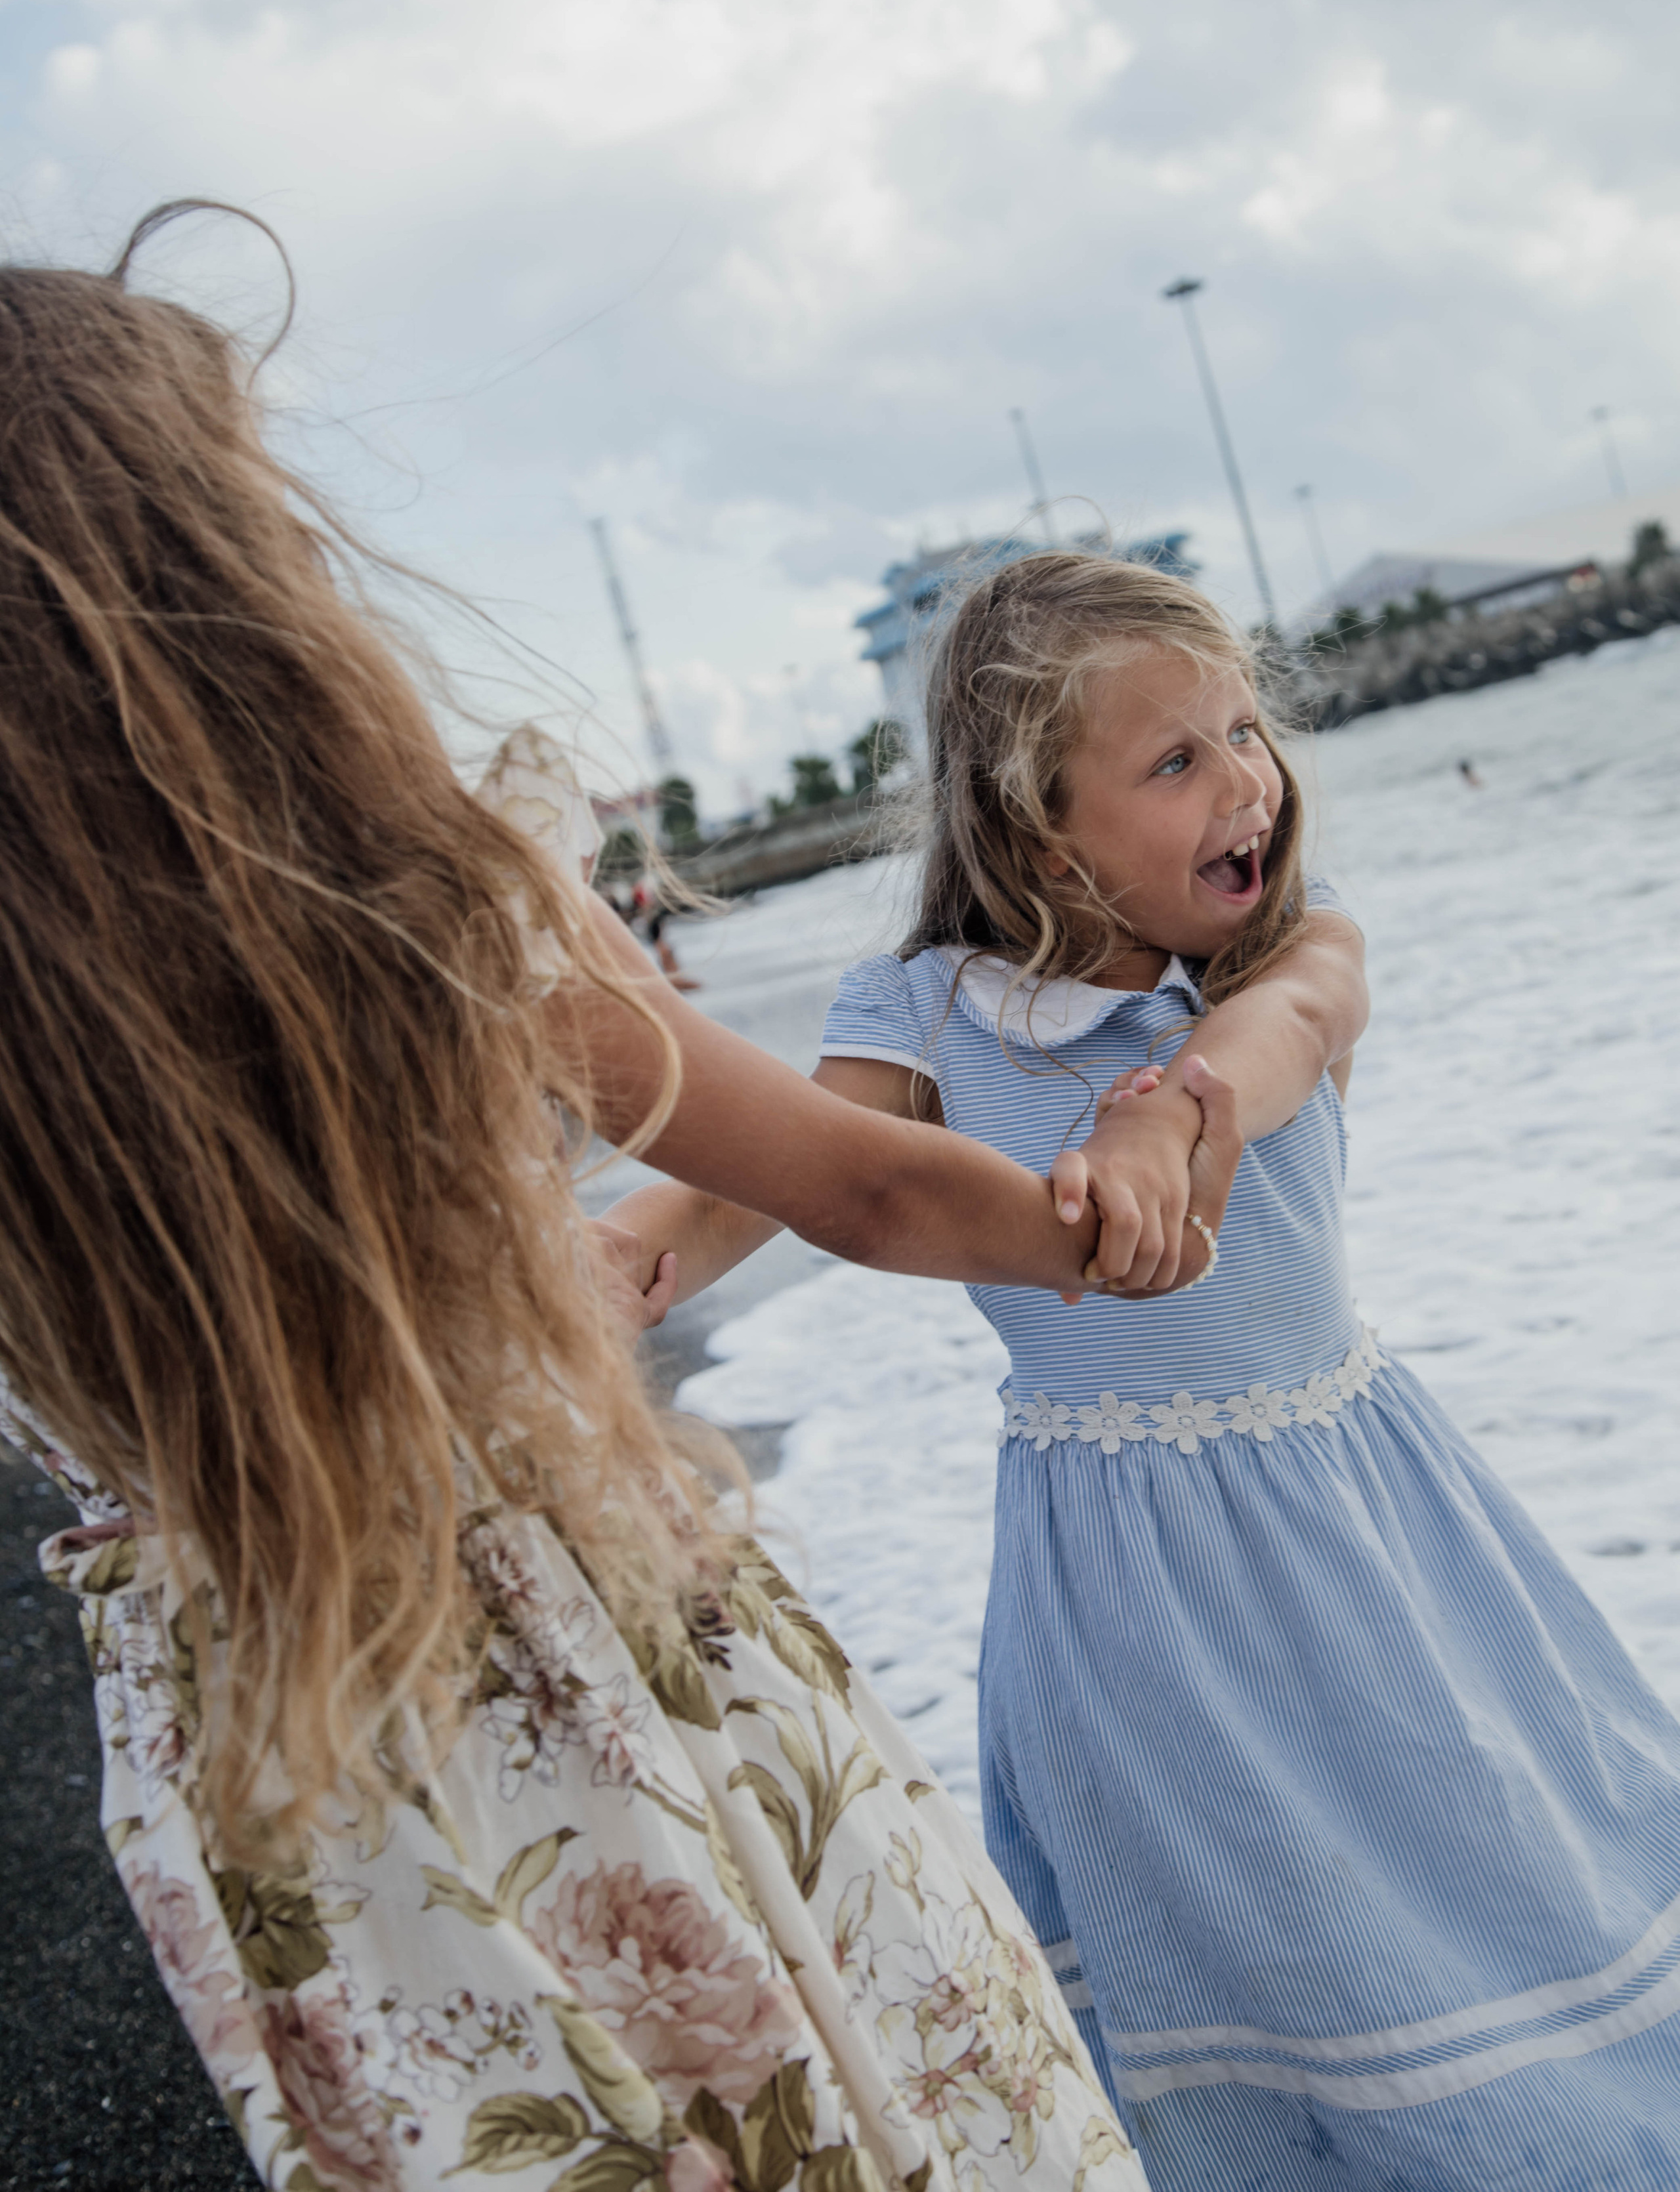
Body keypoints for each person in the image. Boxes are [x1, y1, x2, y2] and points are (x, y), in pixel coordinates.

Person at [0, 219, 1175, 2192]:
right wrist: (1128, 1211)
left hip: (275, 1765)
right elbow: (870, 1183)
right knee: (891, 2111)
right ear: (221, 581)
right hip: (602, 1655)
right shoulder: (438, 906)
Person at [618, 551, 1680, 2189]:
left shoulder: (1280, 964)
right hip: (1121, 1601)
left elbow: (1272, 1050)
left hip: (1371, 1542)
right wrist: (625, 1243)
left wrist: (1169, 1110)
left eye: (1244, 731)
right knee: (1254, 1958)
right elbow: (797, 1162)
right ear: (1043, 831)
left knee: (1485, 1892)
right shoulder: (922, 1015)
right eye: (1176, 759)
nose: (1247, 778)